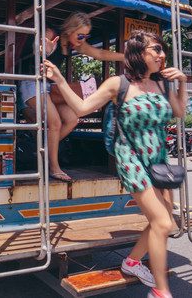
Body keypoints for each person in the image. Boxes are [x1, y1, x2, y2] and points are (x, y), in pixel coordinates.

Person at [44, 29, 187, 298]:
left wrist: (182, 83)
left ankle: (131, 262)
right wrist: (61, 80)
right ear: (138, 53)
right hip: (131, 158)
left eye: (162, 49)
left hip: (157, 160)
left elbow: (179, 112)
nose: (162, 54)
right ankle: (162, 291)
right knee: (163, 224)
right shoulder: (117, 84)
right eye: (156, 49)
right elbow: (83, 108)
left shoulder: (163, 84)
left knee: (164, 220)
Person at [18, 12, 124, 181]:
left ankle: (43, 149)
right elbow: (38, 47)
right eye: (80, 35)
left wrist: (126, 57)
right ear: (69, 30)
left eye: (86, 36)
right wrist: (45, 49)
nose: (83, 39)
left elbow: (100, 54)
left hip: (48, 87)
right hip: (32, 82)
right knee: (55, 123)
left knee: (72, 118)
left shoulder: (76, 44)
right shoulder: (51, 34)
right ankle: (53, 167)